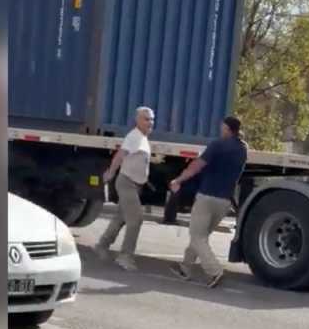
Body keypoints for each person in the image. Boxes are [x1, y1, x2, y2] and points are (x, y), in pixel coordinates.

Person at [168, 116, 248, 288]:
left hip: (207, 197)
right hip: (224, 201)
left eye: (222, 127)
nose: (220, 129)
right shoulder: (243, 149)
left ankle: (214, 272)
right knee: (201, 236)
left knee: (197, 236)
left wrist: (178, 180)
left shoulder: (217, 145)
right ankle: (185, 267)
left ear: (226, 128)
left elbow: (197, 165)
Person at [96, 106, 155, 271]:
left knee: (120, 217)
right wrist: (110, 172)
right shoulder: (134, 136)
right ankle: (125, 256)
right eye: (146, 119)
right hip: (127, 183)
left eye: (152, 119)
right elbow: (120, 155)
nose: (150, 122)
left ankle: (102, 245)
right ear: (137, 120)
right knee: (136, 219)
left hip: (135, 185)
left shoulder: (142, 138)